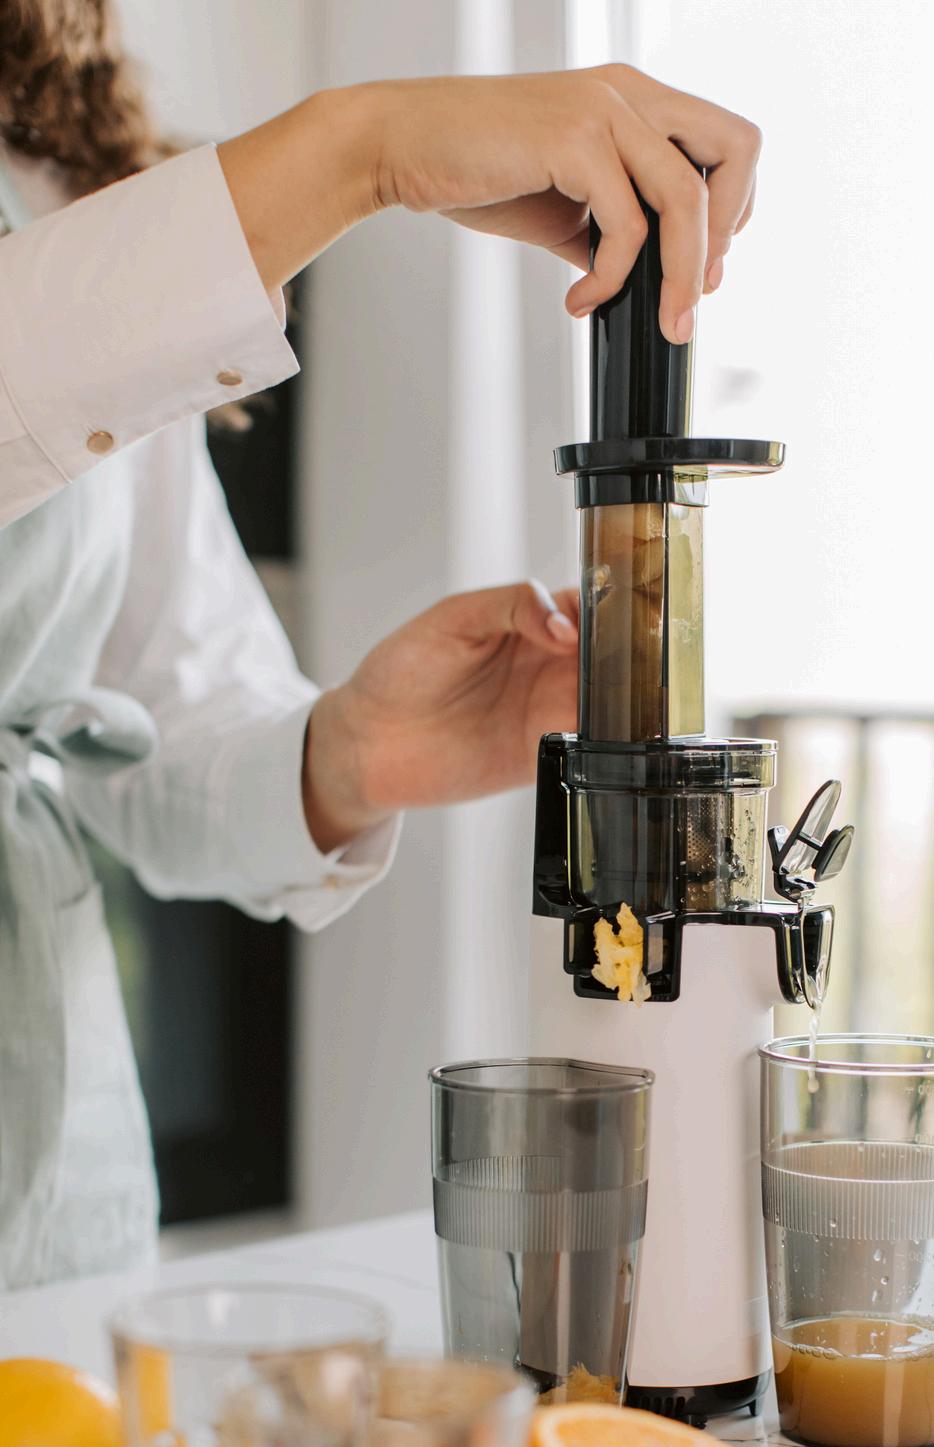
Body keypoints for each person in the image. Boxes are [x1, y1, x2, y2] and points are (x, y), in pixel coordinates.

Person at [0, 2, 763, 1289]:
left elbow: (146, 724)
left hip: (56, 1188)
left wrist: (350, 750)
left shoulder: (58, 158)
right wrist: (365, 147)